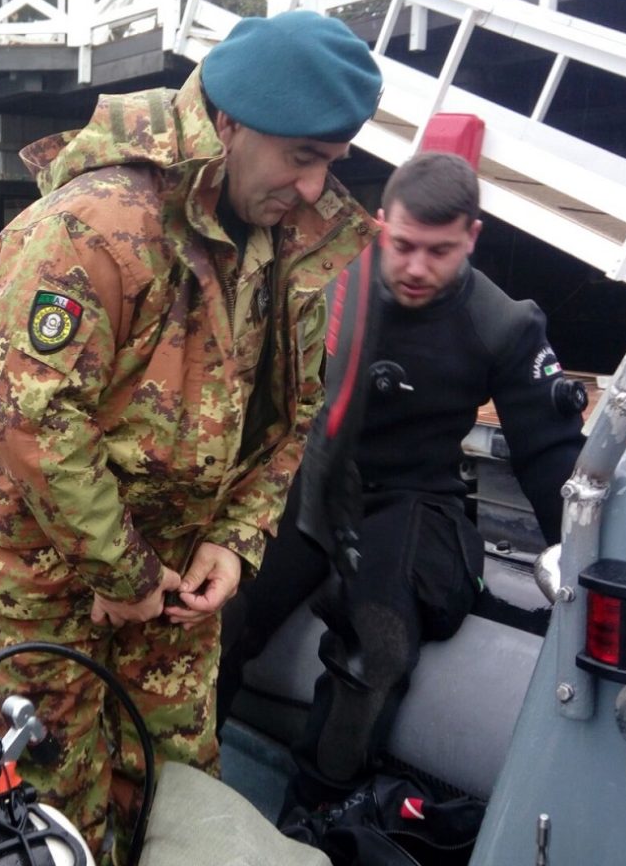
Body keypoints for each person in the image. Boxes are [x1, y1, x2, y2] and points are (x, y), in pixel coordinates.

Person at [0, 9, 384, 862]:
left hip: (179, 591)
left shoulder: (289, 242)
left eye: (331, 163)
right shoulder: (97, 224)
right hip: (52, 588)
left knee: (177, 797)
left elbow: (290, 414)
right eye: (301, 157)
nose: (314, 188)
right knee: (59, 819)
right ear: (228, 122)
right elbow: (30, 415)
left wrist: (237, 539)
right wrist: (118, 569)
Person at [222, 151, 587, 813]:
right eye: (404, 245)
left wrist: (595, 574)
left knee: (381, 641)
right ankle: (180, 771)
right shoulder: (326, 285)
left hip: (414, 495)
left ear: (472, 238)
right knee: (222, 608)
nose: (417, 267)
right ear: (381, 223)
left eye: (440, 251)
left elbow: (550, 460)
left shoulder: (503, 324)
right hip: (315, 474)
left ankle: (312, 817)